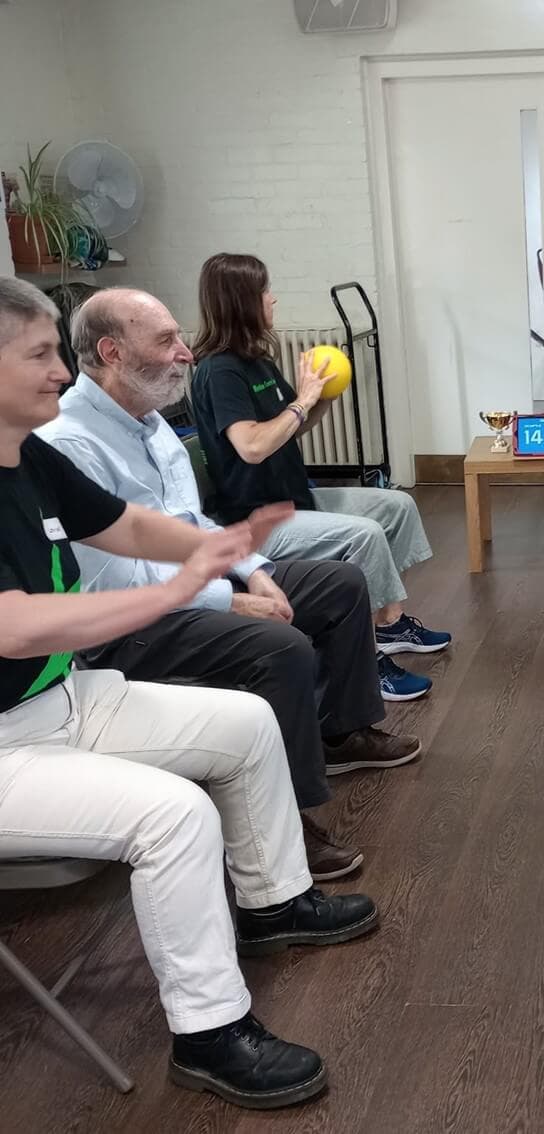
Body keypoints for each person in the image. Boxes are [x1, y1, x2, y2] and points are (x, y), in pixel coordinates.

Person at [0, 276, 378, 1108]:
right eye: (38, 355)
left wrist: (223, 550)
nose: (61, 373)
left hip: (58, 703)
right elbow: (16, 627)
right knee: (175, 814)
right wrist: (174, 594)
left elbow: (127, 524)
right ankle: (209, 1033)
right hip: (6, 745)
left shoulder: (25, 456)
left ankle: (275, 902)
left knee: (245, 725)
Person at [37, 288, 423, 882]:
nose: (185, 353)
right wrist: (232, 598)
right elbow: (119, 580)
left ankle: (342, 731)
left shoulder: (152, 423)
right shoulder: (71, 443)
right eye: (165, 341)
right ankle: (281, 824)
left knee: (341, 584)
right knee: (282, 648)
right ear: (112, 353)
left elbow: (196, 525)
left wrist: (256, 570)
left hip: (195, 586)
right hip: (134, 624)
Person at [189, 252, 450, 702]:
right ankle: (367, 659)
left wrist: (322, 396)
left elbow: (294, 424)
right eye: (264, 291)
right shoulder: (219, 371)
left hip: (295, 499)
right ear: (242, 301)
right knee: (365, 535)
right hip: (256, 520)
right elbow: (251, 446)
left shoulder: (256, 361)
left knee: (397, 505)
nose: (273, 299)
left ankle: (389, 624)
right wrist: (303, 398)